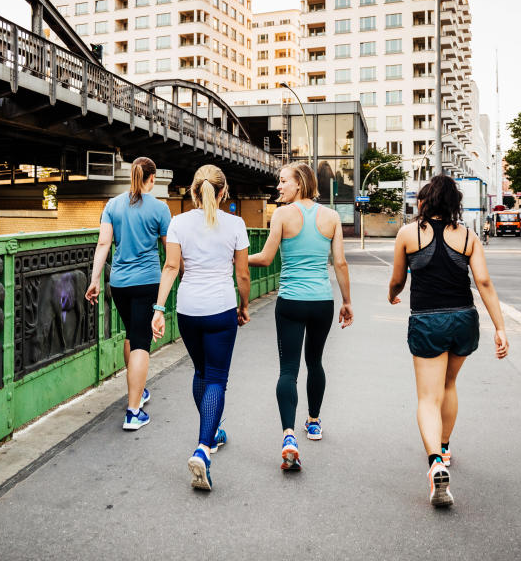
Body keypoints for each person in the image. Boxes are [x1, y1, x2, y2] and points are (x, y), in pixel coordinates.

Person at [387, 175, 509, 508]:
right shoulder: (468, 237)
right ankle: (444, 446)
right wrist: (499, 327)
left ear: (423, 202)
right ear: (454, 204)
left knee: (428, 397)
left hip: (428, 320)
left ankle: (435, 463)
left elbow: (398, 280)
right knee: (450, 385)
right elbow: (483, 282)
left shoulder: (408, 234)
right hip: (464, 320)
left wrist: (391, 294)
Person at [248, 162, 352, 472]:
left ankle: (289, 437)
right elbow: (341, 264)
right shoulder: (332, 217)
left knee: (289, 369)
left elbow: (265, 258)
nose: (278, 187)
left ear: (300, 184)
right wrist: (347, 301)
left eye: (283, 182)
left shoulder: (281, 216)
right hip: (322, 301)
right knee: (315, 362)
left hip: (291, 301)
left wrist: (236, 255)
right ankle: (314, 422)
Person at [152, 164, 251, 491]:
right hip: (221, 308)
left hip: (188, 310)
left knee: (201, 373)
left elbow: (170, 266)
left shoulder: (178, 222)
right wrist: (244, 304)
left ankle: (212, 431)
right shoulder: (236, 223)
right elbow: (243, 275)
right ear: (223, 193)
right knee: (218, 378)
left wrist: (158, 308)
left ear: (193, 192)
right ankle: (203, 448)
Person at [86, 157, 171, 431]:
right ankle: (133, 412)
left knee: (132, 335)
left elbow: (103, 244)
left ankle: (138, 391)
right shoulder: (160, 209)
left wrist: (94, 279)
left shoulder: (113, 205)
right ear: (152, 178)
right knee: (142, 342)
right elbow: (171, 252)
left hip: (119, 284)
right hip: (147, 282)